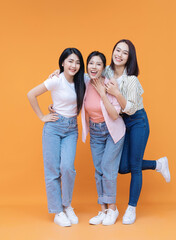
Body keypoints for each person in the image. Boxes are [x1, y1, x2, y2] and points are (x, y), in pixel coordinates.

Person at [104, 39, 170, 224]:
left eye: (125, 53)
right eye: (117, 50)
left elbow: (131, 109)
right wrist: (59, 75)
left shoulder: (131, 80)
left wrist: (117, 93)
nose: (119, 54)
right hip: (121, 123)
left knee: (134, 167)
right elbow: (89, 76)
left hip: (137, 121)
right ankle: (157, 164)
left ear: (129, 58)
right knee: (122, 167)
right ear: (112, 52)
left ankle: (131, 208)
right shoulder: (107, 72)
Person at [27, 48, 86, 227]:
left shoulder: (82, 80)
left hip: (71, 128)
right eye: (70, 61)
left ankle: (66, 205)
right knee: (52, 171)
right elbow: (31, 94)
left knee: (67, 167)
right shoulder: (56, 80)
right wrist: (42, 116)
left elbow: (99, 70)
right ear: (62, 63)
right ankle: (57, 211)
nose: (73, 65)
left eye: (77, 62)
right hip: (53, 127)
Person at [81, 51, 125, 225]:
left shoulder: (110, 85)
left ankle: (113, 209)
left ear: (104, 67)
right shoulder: (84, 81)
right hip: (95, 131)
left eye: (98, 64)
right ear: (87, 66)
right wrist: (55, 74)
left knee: (107, 168)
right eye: (91, 63)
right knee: (98, 171)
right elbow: (67, 75)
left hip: (113, 132)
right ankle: (103, 210)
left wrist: (102, 93)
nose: (94, 67)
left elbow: (114, 115)